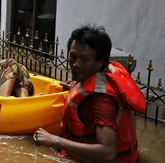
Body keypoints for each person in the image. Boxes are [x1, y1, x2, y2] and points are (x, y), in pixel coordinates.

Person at [33, 25, 146, 162]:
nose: (76, 64)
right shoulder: (93, 79)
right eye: (73, 56)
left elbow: (108, 153)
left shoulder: (101, 102)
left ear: (99, 62)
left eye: (84, 59)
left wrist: (54, 140)